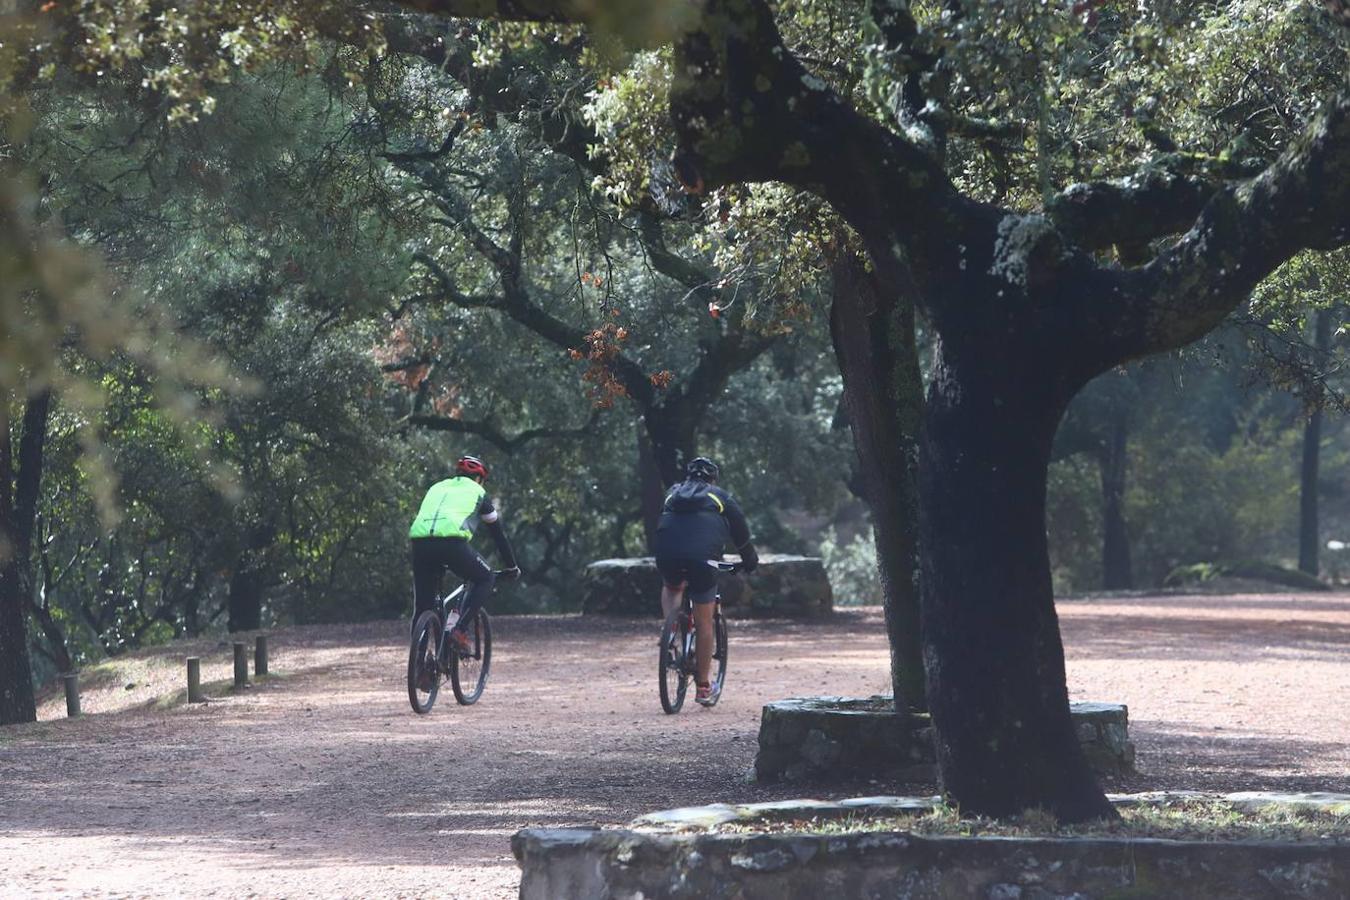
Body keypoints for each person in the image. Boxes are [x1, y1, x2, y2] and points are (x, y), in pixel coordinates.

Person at [653, 456, 759, 705]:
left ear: (688, 476)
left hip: (667, 554)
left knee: (672, 584)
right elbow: (741, 532)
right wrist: (750, 560)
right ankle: (702, 686)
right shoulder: (720, 497)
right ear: (713, 478)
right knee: (704, 622)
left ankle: (671, 630)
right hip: (703, 560)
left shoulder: (672, 494)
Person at [409, 455, 520, 654]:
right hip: (451, 544)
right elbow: (498, 535)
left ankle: (420, 668)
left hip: (420, 545)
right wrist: (512, 566)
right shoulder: (478, 492)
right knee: (486, 578)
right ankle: (458, 631)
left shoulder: (437, 487)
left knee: (423, 607)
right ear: (479, 479)